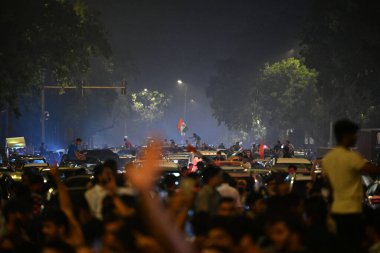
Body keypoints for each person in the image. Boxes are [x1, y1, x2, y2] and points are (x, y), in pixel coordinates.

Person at [323, 119, 380, 253]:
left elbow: (330, 187)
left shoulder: (328, 159)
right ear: (346, 135)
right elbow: (374, 170)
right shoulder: (351, 157)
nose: (356, 138)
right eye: (354, 134)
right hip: (352, 210)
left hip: (336, 210)